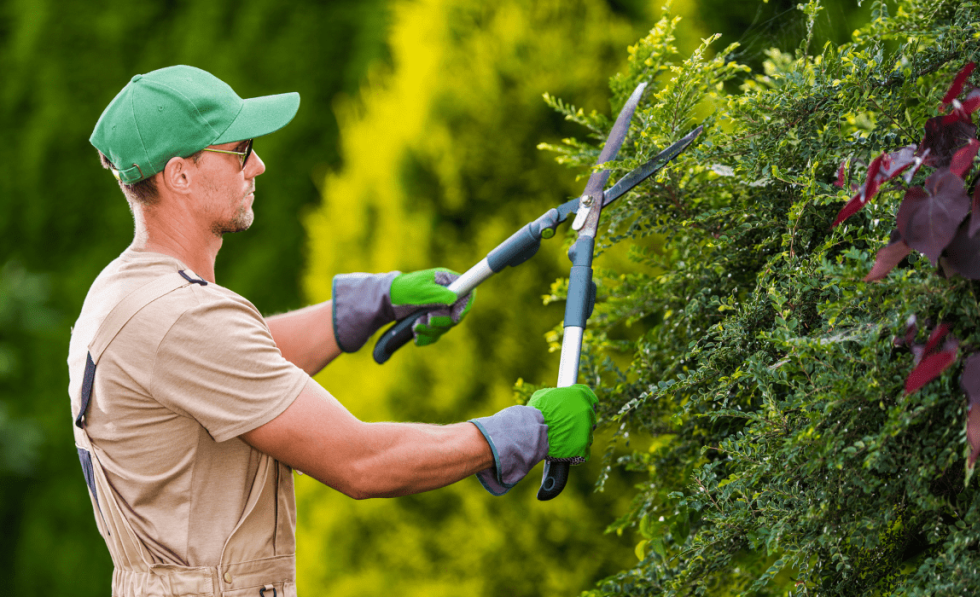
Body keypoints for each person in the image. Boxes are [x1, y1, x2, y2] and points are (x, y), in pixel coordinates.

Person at [68, 65, 598, 597]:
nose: (258, 165)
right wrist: (528, 431)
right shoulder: (182, 319)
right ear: (179, 174)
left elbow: (238, 367)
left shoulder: (126, 292)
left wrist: (374, 302)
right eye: (239, 150)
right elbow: (363, 462)